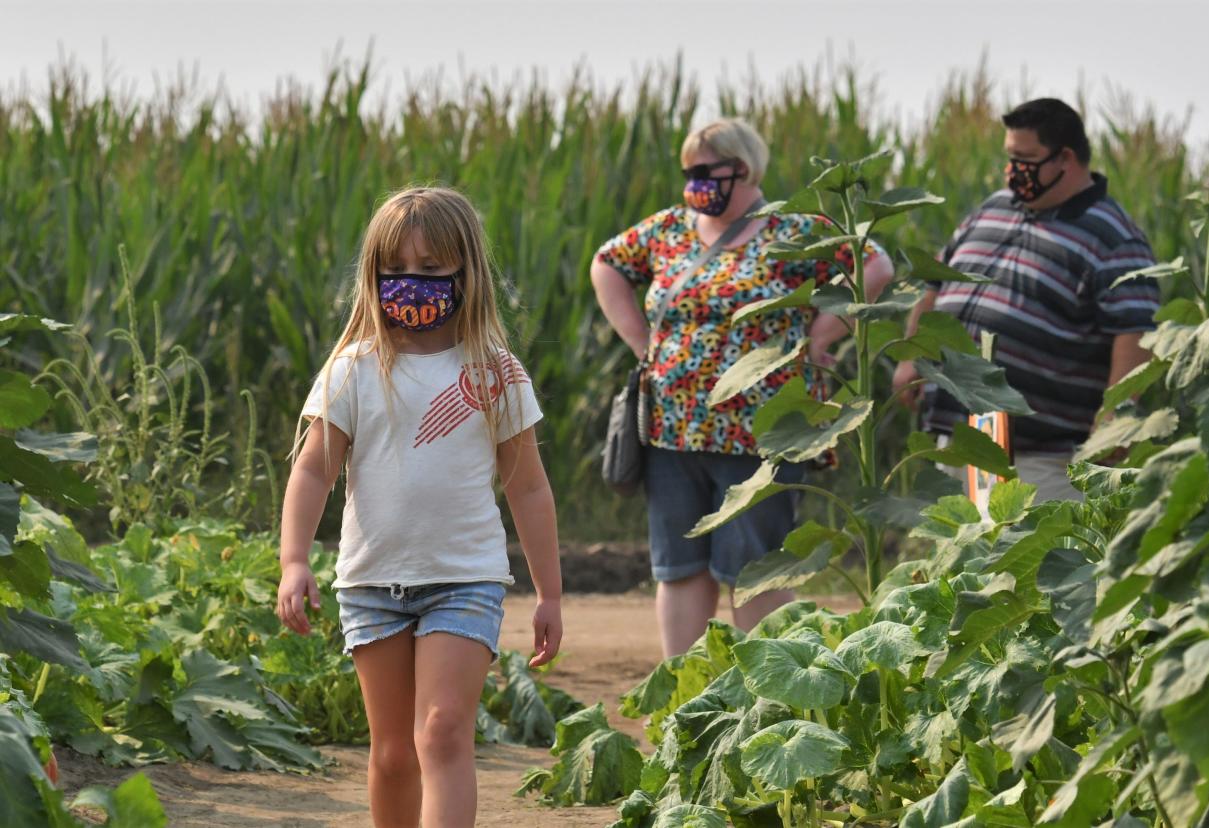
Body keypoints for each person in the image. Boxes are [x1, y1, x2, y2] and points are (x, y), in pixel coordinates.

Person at [275, 186, 562, 828]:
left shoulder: (496, 374)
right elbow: (312, 471)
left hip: (466, 580)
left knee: (442, 733)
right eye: (396, 271)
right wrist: (295, 560)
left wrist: (550, 593)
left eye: (431, 271)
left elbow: (529, 487)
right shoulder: (352, 369)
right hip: (372, 584)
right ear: (373, 277)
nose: (412, 284)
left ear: (467, 272)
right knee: (394, 755)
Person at [591, 118, 894, 657]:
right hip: (671, 428)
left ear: (743, 168)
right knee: (679, 565)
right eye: (688, 172)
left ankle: (761, 695)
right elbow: (607, 264)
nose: (694, 183)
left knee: (756, 566)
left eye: (705, 171)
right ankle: (685, 698)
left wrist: (818, 336)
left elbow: (874, 266)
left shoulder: (791, 229)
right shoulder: (668, 229)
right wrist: (644, 346)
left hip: (762, 429)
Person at [892, 98, 1160, 502]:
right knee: (960, 560)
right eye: (1009, 157)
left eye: (1025, 158)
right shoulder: (993, 208)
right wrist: (912, 357)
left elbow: (1134, 335)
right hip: (964, 435)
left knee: (1023, 561)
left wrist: (1114, 424)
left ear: (1065, 159)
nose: (1012, 170)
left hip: (1040, 458)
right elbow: (935, 278)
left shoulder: (1114, 237)